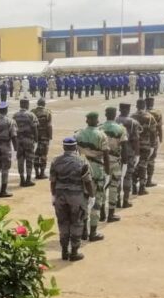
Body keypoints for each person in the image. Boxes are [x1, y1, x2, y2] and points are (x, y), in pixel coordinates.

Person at [50, 137, 95, 261]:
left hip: (60, 196)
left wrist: (53, 196)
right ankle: (74, 252)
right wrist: (92, 196)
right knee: (76, 223)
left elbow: (53, 181)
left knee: (63, 223)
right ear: (75, 147)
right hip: (76, 197)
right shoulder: (82, 161)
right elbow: (88, 182)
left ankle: (64, 251)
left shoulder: (55, 161)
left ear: (64, 147)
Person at [75, 112, 110, 241]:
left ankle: (84, 230)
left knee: (84, 199)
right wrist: (107, 171)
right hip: (97, 170)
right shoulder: (101, 135)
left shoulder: (78, 134)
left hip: (82, 168)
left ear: (86, 120)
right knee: (96, 200)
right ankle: (93, 232)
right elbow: (106, 155)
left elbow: (74, 151)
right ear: (97, 120)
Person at [100, 107, 128, 221]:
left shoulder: (99, 128)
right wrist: (125, 163)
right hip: (115, 161)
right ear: (115, 114)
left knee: (101, 187)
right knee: (113, 187)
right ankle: (111, 214)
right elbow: (124, 147)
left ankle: (101, 212)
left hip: (102, 161)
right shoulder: (121, 129)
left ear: (105, 114)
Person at [0, 101, 17, 198]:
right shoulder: (10, 121)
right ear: (6, 110)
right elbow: (13, 136)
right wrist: (16, 149)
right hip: (6, 146)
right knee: (5, 169)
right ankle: (3, 191)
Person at [131, 99, 157, 196]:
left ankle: (133, 187)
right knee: (143, 165)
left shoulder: (132, 117)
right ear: (144, 105)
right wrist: (153, 146)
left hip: (134, 146)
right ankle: (142, 188)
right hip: (146, 146)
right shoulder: (150, 117)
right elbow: (153, 133)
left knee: (134, 165)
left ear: (136, 106)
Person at [13, 99, 39, 187]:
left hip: (18, 140)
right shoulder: (31, 115)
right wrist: (36, 139)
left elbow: (13, 129)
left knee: (20, 160)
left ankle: (22, 179)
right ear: (27, 105)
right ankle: (28, 179)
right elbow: (35, 128)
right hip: (28, 140)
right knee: (29, 160)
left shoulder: (15, 115)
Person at [32, 98, 53, 179]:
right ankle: (42, 173)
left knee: (36, 155)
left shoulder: (32, 112)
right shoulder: (48, 112)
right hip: (44, 136)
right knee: (43, 155)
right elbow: (49, 126)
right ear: (44, 104)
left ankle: (37, 173)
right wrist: (50, 136)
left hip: (35, 137)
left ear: (37, 103)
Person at [145, 97, 163, 188]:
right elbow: (159, 127)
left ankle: (140, 180)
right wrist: (161, 139)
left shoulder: (140, 113)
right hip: (153, 140)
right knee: (151, 160)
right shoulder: (157, 113)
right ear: (153, 103)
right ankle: (149, 180)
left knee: (142, 160)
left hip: (141, 140)